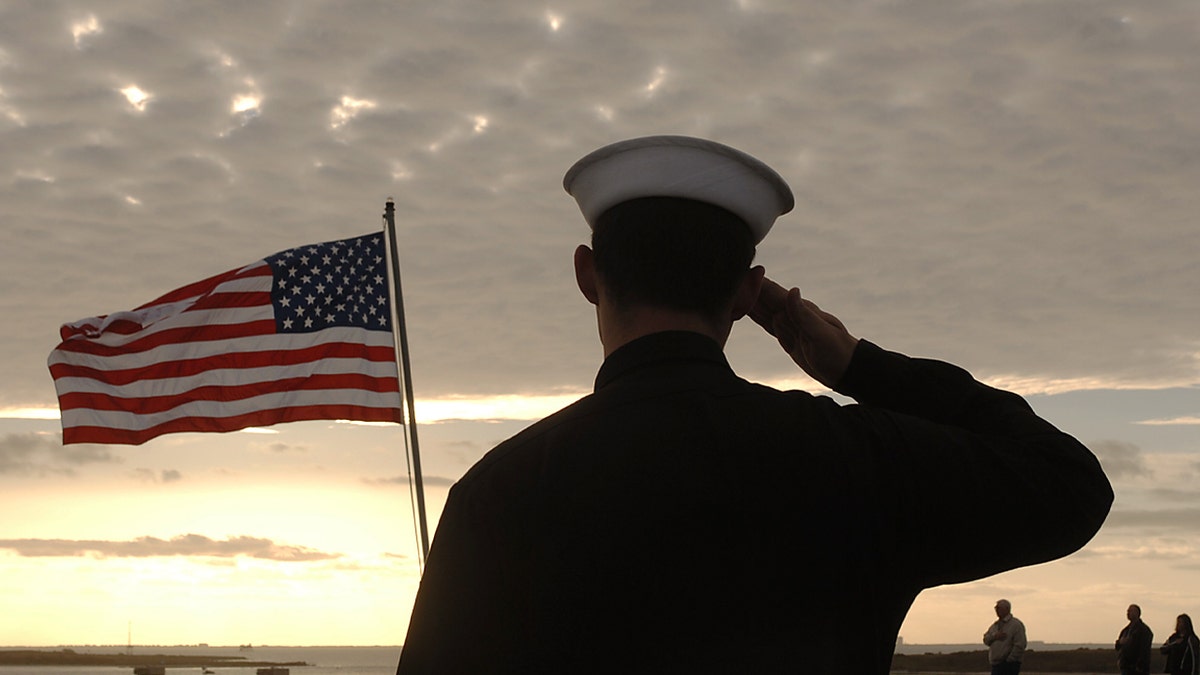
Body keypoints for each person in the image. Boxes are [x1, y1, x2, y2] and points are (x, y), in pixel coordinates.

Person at [396, 135, 1113, 674]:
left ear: (588, 274)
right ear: (748, 292)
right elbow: (1069, 484)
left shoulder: (501, 490)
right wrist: (862, 366)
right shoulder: (858, 459)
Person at [983, 599, 1027, 674]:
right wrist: (995, 636)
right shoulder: (995, 626)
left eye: (998, 608)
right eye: (995, 608)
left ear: (1007, 609)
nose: (996, 610)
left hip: (1010, 665)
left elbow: (1020, 644)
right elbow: (986, 639)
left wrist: (1010, 660)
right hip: (996, 665)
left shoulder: (1016, 625)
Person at [1118, 604, 1154, 675]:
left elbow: (1144, 649)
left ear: (1137, 613)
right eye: (1127, 611)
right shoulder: (1126, 630)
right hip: (1126, 667)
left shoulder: (1143, 630)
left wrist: (1140, 665)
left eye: (1130, 611)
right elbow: (1118, 646)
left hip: (1138, 668)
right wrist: (1120, 642)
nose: (1128, 613)